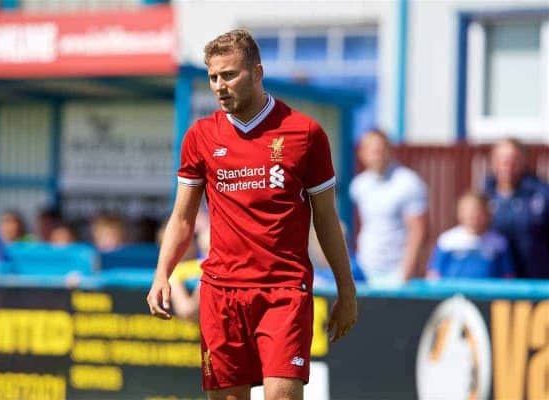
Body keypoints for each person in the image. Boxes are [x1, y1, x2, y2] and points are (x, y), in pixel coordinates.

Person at [147, 29, 357, 400]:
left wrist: (347, 288)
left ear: (257, 73)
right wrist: (161, 274)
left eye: (229, 75)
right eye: (213, 77)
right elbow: (182, 218)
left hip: (283, 290)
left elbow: (325, 218)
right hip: (221, 293)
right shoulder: (200, 136)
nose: (219, 86)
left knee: (282, 395)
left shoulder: (305, 134)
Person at [349, 129, 428, 286]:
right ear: (362, 154)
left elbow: (418, 230)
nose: (376, 154)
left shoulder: (408, 182)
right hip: (365, 270)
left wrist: (404, 274)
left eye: (380, 149)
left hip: (395, 273)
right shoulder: (359, 185)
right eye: (371, 149)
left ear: (389, 150)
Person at [483, 138, 549, 279]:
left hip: (536, 281)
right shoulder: (484, 196)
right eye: (502, 159)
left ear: (524, 161)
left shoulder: (541, 194)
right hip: (496, 282)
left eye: (514, 159)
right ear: (493, 162)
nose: (508, 165)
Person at [427, 191, 514, 279]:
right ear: (460, 213)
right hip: (455, 292)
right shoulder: (447, 241)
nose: (473, 216)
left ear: (487, 213)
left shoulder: (498, 242)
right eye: (469, 212)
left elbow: (507, 275)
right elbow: (434, 273)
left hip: (487, 292)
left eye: (477, 211)